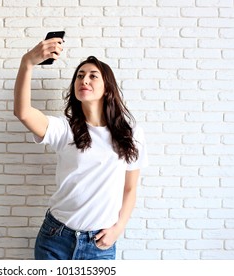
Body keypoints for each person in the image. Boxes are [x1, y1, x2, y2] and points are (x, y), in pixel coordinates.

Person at [13, 37, 148, 260]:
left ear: (107, 89)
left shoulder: (131, 133)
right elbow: (23, 112)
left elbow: (130, 189)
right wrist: (27, 62)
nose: (84, 79)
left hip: (99, 244)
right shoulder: (64, 128)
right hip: (55, 238)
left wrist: (118, 228)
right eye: (80, 75)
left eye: (93, 76)